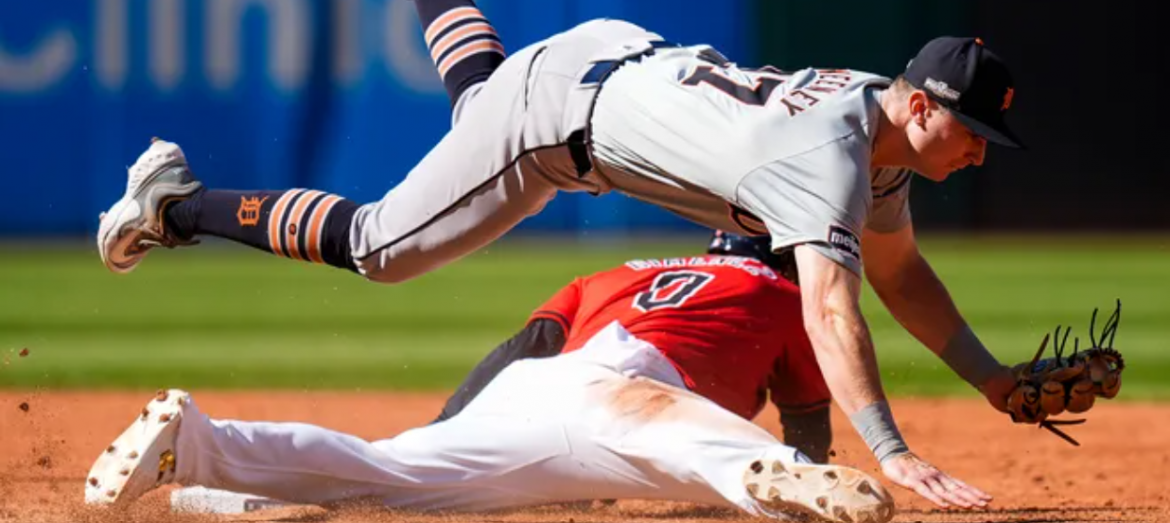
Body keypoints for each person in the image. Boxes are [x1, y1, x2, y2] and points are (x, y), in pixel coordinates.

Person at [95, 0, 1018, 507]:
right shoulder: (835, 157)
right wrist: (890, 450)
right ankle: (174, 202)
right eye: (974, 131)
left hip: (608, 56)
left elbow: (901, 278)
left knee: (478, 99)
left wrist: (996, 382)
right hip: (559, 127)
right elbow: (829, 306)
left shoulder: (876, 119)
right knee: (380, 247)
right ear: (921, 105)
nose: (982, 152)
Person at [85, 233, 896, 523]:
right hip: (635, 389)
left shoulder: (618, 271)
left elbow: (523, 347)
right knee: (708, 447)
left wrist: (447, 431)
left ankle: (197, 448)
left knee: (389, 471)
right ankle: (775, 481)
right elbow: (809, 419)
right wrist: (809, 457)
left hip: (542, 386)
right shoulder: (792, 294)